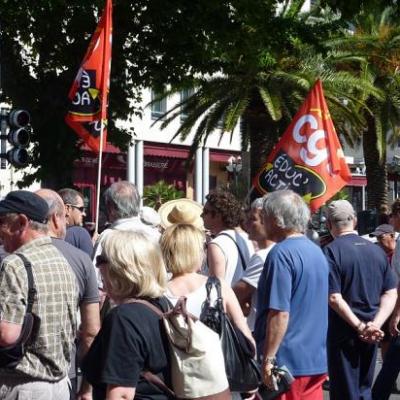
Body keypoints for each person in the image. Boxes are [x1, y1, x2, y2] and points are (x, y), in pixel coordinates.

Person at [0, 190, 78, 399]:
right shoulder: (63, 260)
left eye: (2, 223)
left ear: (22, 223)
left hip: (24, 386)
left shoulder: (14, 264)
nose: (0, 232)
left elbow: (7, 334)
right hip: (60, 385)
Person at [254, 190, 328, 400]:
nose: (262, 221)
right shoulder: (316, 252)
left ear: (277, 220)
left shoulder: (281, 254)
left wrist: (268, 359)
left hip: (288, 363)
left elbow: (279, 313)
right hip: (315, 359)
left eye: (265, 216)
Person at [82, 230, 171, 400]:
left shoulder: (123, 319)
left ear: (121, 269)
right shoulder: (162, 304)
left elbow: (121, 395)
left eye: (102, 259)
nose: (98, 266)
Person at [323, 200, 397, 400]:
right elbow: (391, 292)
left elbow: (333, 297)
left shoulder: (331, 251)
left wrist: (360, 326)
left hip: (344, 333)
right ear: (354, 221)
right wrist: (375, 324)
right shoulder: (376, 251)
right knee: (364, 389)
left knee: (345, 391)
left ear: (329, 224)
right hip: (372, 332)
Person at [36, 189, 100, 400]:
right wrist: (87, 387)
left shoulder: (8, 255)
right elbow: (91, 331)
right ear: (56, 218)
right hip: (63, 371)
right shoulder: (82, 260)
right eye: (65, 216)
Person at [160, 223, 252, 339]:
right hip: (217, 356)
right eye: (204, 247)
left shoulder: (159, 293)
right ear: (196, 252)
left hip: (175, 357)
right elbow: (245, 333)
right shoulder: (218, 286)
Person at [233, 197, 275, 332]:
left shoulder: (263, 256)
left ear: (267, 222)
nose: (247, 223)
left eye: (253, 219)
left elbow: (238, 292)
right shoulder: (270, 251)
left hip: (259, 329)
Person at [201, 189, 254, 286]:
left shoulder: (217, 244)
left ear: (217, 215)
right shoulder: (248, 239)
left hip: (226, 300)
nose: (201, 215)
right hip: (240, 300)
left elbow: (216, 290)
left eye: (205, 211)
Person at [59, 188, 94, 257]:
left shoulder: (47, 232)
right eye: (81, 209)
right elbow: (89, 264)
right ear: (67, 209)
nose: (84, 214)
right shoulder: (79, 233)